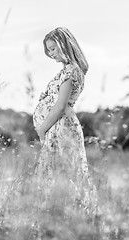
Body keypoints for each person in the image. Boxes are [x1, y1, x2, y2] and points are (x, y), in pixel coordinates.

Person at [33, 27, 98, 222]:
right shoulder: (67, 70)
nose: (51, 54)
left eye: (53, 49)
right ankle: (61, 217)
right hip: (58, 128)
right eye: (49, 51)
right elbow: (58, 99)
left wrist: (42, 128)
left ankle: (67, 218)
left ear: (64, 45)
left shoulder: (71, 71)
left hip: (61, 129)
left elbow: (61, 106)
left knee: (63, 172)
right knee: (61, 171)